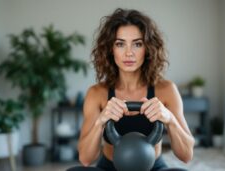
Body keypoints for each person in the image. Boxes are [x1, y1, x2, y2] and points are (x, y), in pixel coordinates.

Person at [77, 8, 194, 171]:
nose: (129, 53)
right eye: (120, 44)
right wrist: (100, 122)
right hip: (110, 168)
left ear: (147, 49)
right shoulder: (97, 93)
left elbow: (187, 155)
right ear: (111, 49)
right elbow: (85, 159)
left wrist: (170, 119)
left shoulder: (166, 90)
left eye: (137, 44)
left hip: (153, 167)